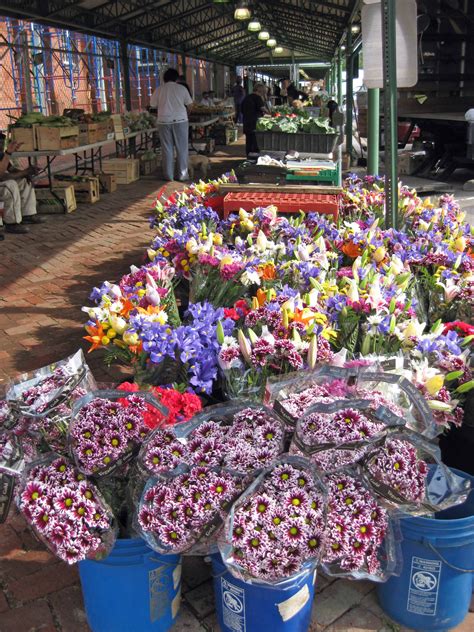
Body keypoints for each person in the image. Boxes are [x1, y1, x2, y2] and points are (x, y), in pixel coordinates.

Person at [150, 68, 193, 182]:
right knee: (182, 148)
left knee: (167, 149)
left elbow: (152, 105)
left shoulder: (159, 89)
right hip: (180, 121)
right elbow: (190, 105)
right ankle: (182, 175)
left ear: (164, 78)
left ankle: (168, 175)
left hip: (163, 121)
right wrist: (186, 114)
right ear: (177, 78)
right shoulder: (182, 89)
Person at [0, 137, 44, 234]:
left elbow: (11, 169)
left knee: (24, 180)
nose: (1, 145)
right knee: (10, 185)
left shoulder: (1, 154)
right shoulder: (5, 154)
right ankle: (12, 223)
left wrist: (26, 173)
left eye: (2, 142)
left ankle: (27, 215)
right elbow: (2, 176)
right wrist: (8, 153)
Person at [241, 83, 267, 157]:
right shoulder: (257, 98)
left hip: (246, 122)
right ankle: (254, 158)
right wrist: (271, 113)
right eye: (263, 91)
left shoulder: (246, 97)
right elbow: (263, 109)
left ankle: (248, 157)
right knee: (255, 142)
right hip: (254, 123)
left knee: (248, 141)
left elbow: (242, 110)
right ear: (261, 91)